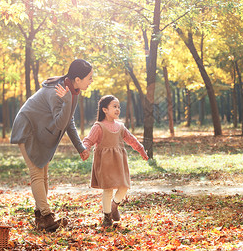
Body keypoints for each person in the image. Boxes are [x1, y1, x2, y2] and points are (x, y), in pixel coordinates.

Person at [10, 59, 93, 232]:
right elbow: (59, 124)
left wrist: (80, 147)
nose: (91, 81)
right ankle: (47, 217)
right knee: (37, 174)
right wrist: (67, 101)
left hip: (40, 130)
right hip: (28, 129)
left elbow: (68, 120)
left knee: (43, 174)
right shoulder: (60, 92)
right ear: (77, 79)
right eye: (89, 77)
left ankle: (41, 218)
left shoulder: (72, 91)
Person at [81, 95, 149, 227]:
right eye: (114, 106)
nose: (118, 109)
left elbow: (131, 139)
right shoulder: (98, 126)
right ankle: (107, 216)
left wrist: (141, 150)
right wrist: (85, 149)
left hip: (119, 162)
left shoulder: (120, 126)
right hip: (104, 163)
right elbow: (88, 140)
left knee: (124, 186)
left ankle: (114, 205)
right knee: (107, 189)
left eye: (119, 107)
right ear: (105, 109)